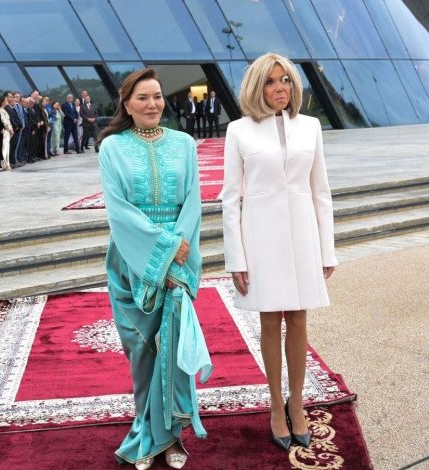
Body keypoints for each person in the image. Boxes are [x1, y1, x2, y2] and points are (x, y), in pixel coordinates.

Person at [221, 53, 337, 451]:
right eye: (271, 82)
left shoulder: (311, 127)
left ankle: (298, 403)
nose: (280, 88)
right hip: (260, 237)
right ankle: (275, 404)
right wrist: (236, 257)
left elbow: (321, 192)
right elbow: (230, 199)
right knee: (271, 319)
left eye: (285, 80)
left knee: (299, 319)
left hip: (303, 234)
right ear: (258, 87)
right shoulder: (239, 131)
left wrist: (328, 249)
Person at [97, 67, 210, 470]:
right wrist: (161, 249)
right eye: (142, 98)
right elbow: (118, 210)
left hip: (178, 257)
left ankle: (172, 438)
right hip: (131, 262)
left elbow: (194, 200)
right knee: (143, 353)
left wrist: (179, 247)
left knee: (173, 350)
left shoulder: (184, 144)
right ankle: (146, 435)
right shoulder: (111, 148)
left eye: (158, 96)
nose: (152, 104)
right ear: (126, 104)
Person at [0, 92, 14, 171]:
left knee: (6, 148)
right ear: (2, 102)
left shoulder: (3, 110)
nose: (7, 101)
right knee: (4, 148)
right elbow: (4, 121)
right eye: (6, 100)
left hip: (8, 131)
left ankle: (6, 163)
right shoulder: (0, 111)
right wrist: (10, 129)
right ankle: (3, 163)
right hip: (6, 131)